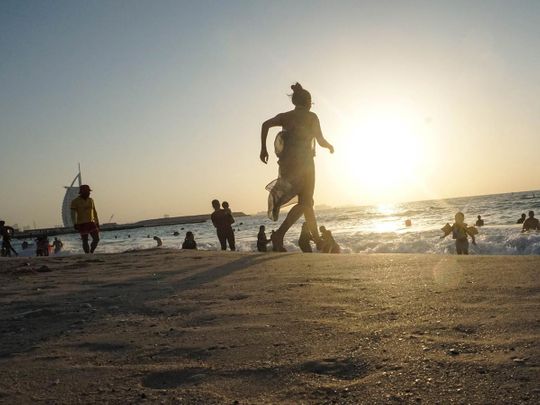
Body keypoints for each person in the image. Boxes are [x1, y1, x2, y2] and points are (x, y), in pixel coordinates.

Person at [260, 82, 334, 251]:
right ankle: (280, 234)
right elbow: (320, 140)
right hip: (306, 164)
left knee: (307, 203)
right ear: (307, 102)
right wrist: (330, 146)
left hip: (288, 165)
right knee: (306, 202)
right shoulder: (311, 117)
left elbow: (265, 124)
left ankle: (317, 239)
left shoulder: (285, 116)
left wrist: (263, 149)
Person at [70, 184, 100, 254]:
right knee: (85, 240)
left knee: (96, 239)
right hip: (81, 223)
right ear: (82, 192)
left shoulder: (91, 200)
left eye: (89, 191)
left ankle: (91, 251)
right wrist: (75, 223)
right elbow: (72, 214)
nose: (89, 193)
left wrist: (97, 222)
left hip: (91, 222)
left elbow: (94, 212)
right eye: (87, 191)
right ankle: (87, 254)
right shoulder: (75, 201)